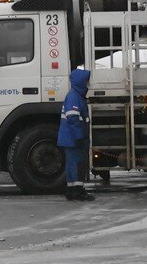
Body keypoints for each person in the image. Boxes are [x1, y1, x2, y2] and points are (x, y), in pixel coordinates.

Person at [57, 68, 94, 201]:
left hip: (70, 139)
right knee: (77, 165)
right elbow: (73, 118)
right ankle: (77, 191)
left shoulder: (75, 95)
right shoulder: (75, 97)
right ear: (80, 82)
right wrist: (79, 136)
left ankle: (72, 190)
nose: (88, 84)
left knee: (72, 165)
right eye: (86, 81)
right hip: (73, 139)